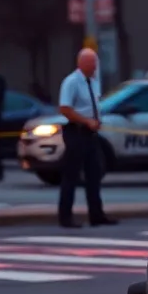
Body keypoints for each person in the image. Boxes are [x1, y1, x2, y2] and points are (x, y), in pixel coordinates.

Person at [56, 47, 117, 228]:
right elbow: (65, 109)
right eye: (92, 63)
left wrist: (96, 121)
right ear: (81, 63)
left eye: (95, 63)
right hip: (76, 132)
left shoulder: (93, 81)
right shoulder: (71, 82)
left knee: (94, 174)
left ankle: (96, 214)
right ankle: (65, 216)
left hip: (91, 134)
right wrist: (86, 121)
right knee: (71, 175)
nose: (95, 66)